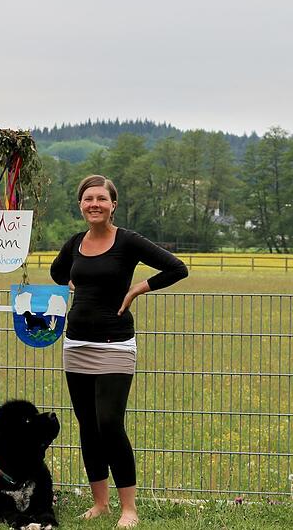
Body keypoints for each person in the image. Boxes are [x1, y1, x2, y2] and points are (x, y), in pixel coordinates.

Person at [50, 175, 188, 528]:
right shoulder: (75, 242)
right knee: (88, 426)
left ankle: (129, 509)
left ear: (113, 205)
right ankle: (100, 504)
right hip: (76, 344)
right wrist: (73, 284)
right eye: (88, 199)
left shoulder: (128, 241)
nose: (94, 204)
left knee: (110, 424)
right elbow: (57, 272)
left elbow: (177, 268)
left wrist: (138, 288)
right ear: (80, 205)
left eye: (101, 198)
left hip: (115, 344)